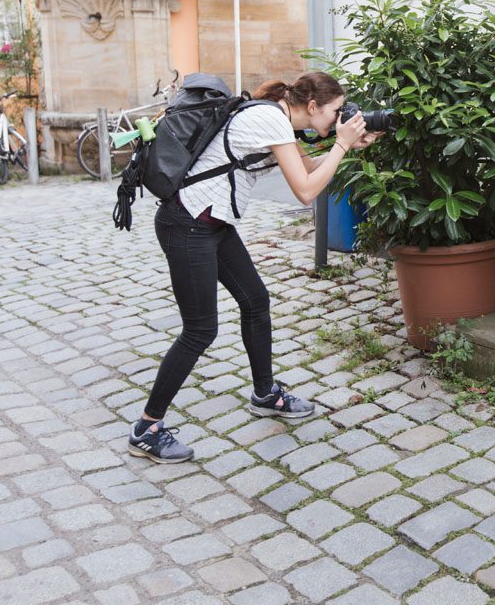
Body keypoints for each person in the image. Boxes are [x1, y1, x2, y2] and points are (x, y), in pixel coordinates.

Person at [127, 71, 378, 463]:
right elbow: (306, 192)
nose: (338, 118)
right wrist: (341, 147)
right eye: (335, 111)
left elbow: (312, 170)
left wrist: (349, 146)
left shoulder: (278, 121)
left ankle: (265, 394)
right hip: (188, 224)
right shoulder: (269, 119)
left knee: (256, 301)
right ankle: (147, 427)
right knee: (200, 330)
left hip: (213, 223)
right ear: (311, 107)